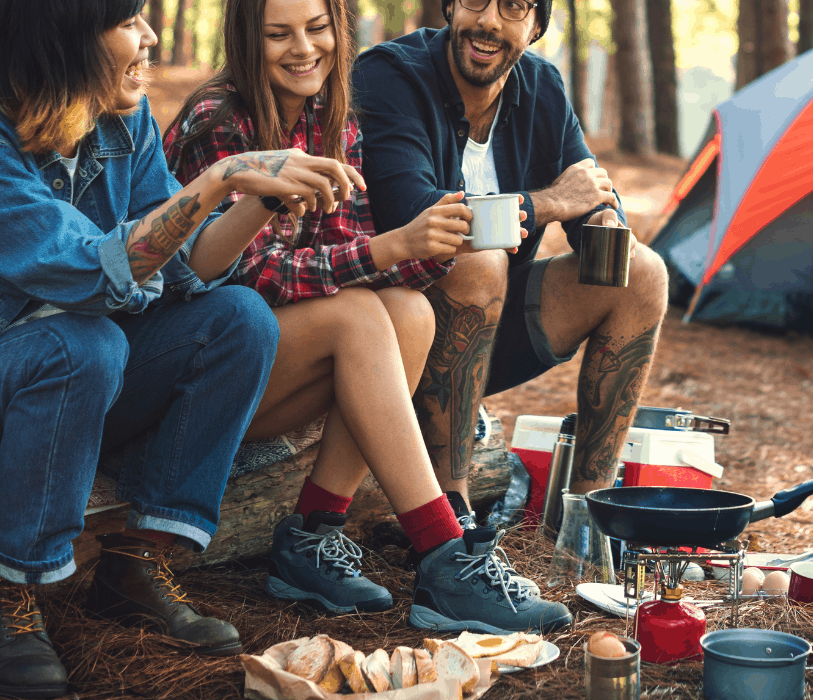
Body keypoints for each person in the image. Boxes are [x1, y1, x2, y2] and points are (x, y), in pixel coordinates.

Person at [0, 0, 378, 696]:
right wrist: (217, 179)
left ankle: (137, 563)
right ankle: (10, 593)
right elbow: (90, 268)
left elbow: (189, 268)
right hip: (20, 380)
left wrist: (255, 197)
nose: (148, 39)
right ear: (63, 38)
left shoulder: (123, 117)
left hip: (87, 384)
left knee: (238, 319)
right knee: (83, 344)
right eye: (128, 23)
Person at [163, 0, 571, 634]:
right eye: (278, 34)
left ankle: (311, 535)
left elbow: (351, 251)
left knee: (408, 313)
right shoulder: (220, 120)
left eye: (318, 28)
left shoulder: (333, 112)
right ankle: (443, 555)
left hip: (284, 364)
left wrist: (422, 248)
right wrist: (388, 249)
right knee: (357, 317)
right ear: (247, 39)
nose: (303, 49)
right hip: (205, 370)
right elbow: (245, 278)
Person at [351, 0, 669, 571]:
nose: (490, 22)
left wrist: (602, 218)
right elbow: (416, 214)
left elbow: (586, 187)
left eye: (515, 7)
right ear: (450, 7)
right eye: (476, 1)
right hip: (390, 337)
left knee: (643, 273)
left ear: (537, 26)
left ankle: (589, 518)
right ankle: (452, 513)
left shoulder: (540, 85)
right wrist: (549, 202)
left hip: (487, 336)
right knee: (478, 256)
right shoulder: (389, 75)